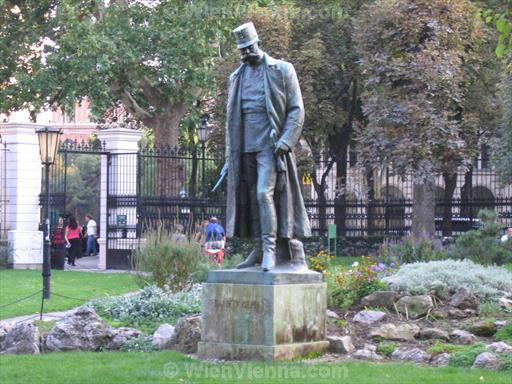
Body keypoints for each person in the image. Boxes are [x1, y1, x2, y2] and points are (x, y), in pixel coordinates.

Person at [223, 22, 311, 271]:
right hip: (244, 147)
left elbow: (296, 109)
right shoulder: (236, 77)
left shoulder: (282, 70)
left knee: (264, 193)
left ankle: (271, 249)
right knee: (250, 198)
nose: (245, 53)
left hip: (270, 146)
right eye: (242, 50)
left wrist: (286, 140)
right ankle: (259, 248)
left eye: (249, 48)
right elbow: (232, 118)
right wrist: (230, 154)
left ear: (257, 43)